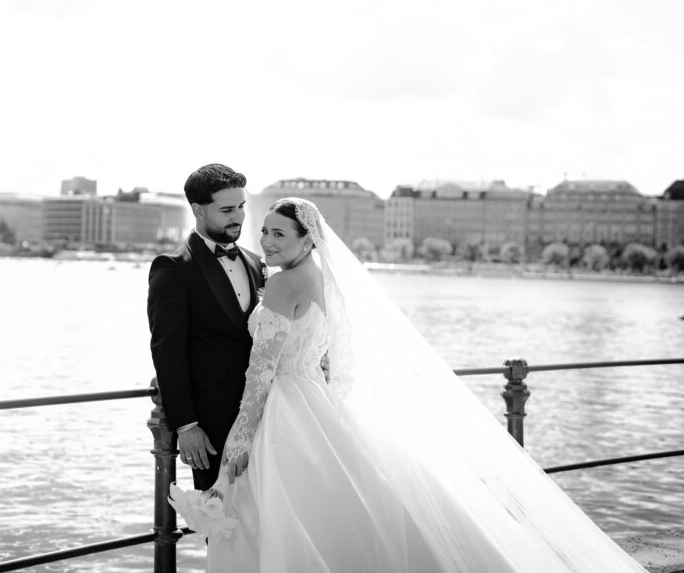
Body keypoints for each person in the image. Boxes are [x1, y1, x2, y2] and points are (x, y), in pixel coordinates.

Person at [169, 197, 648, 572]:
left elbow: (260, 376)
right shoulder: (319, 279)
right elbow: (331, 354)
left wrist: (237, 444)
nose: (267, 242)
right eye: (265, 232)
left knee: (275, 523)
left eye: (278, 233)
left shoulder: (278, 285)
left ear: (307, 238)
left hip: (285, 413)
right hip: (314, 401)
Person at [147, 164, 266, 490]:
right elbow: (167, 352)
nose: (238, 217)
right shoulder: (172, 269)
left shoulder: (256, 263)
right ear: (198, 210)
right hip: (211, 429)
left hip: (268, 418)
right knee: (223, 524)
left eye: (242, 207)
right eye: (227, 209)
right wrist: (187, 426)